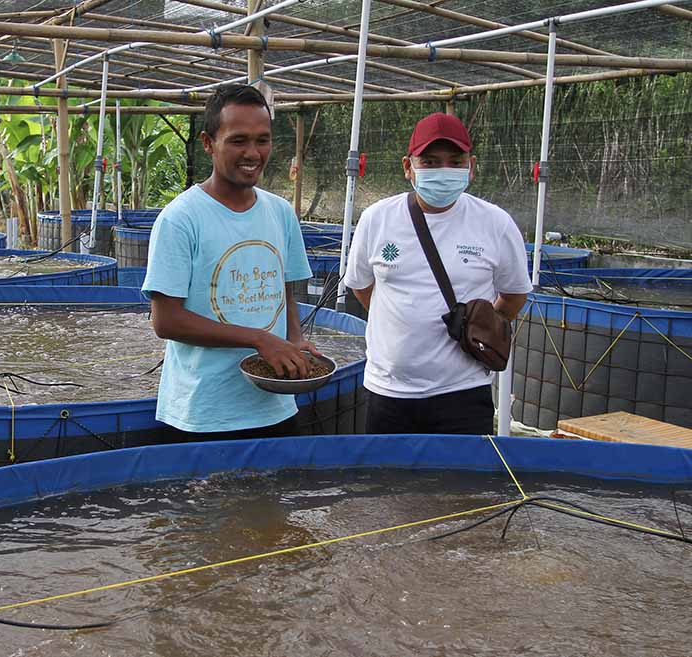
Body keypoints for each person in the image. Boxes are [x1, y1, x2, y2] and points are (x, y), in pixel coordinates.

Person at [141, 84, 318, 439]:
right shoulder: (181, 219)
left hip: (274, 404)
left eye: (262, 140)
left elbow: (283, 288)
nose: (252, 153)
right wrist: (259, 339)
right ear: (208, 143)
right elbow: (166, 320)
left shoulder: (280, 213)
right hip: (204, 414)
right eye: (238, 141)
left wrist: (294, 339)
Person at [343, 112, 532, 435]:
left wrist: (480, 327)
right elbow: (361, 286)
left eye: (455, 162)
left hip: (463, 391)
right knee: (389, 470)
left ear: (471, 166)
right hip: (389, 391)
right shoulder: (377, 219)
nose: (443, 171)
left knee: (461, 470)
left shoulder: (495, 223)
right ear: (408, 167)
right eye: (429, 162)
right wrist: (400, 323)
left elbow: (514, 293)